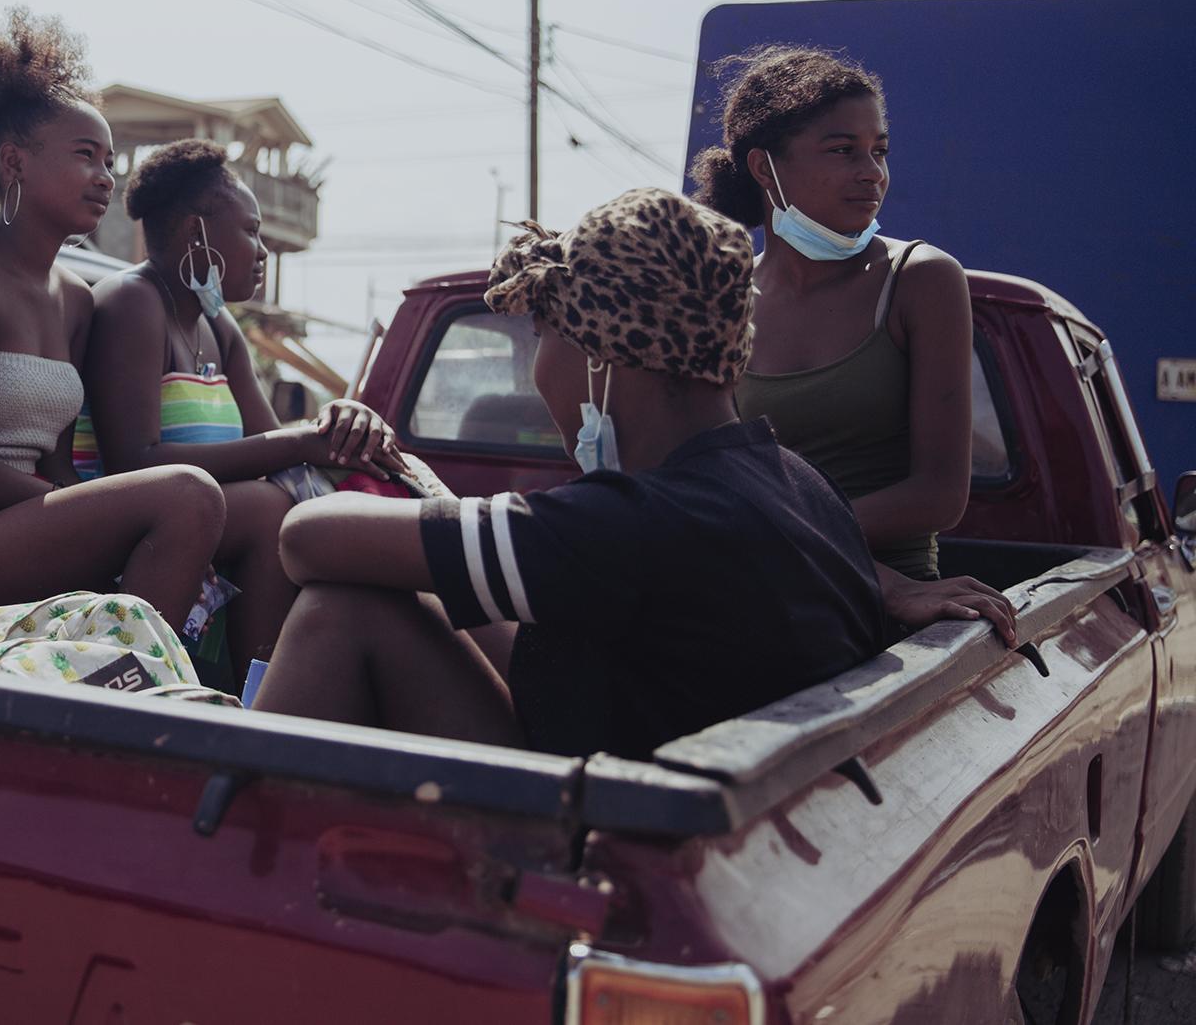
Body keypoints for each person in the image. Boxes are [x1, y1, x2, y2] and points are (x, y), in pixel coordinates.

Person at [253, 189, 1016, 758]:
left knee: (343, 610)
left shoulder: (633, 521)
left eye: (543, 334)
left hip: (598, 842)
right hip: (670, 774)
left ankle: (226, 869)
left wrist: (465, 523)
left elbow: (305, 536)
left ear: (603, 356)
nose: (537, 366)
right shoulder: (792, 482)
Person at [0, 9, 222, 626]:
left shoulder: (76, 298)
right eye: (86, 156)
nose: (106, 177)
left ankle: (123, 683)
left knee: (189, 508)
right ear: (15, 163)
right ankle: (120, 704)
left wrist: (79, 510)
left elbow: (56, 461)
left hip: (17, 524)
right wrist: (80, 510)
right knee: (189, 497)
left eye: (110, 160)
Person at [79, 138, 403, 677]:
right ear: (195, 232)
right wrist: (302, 441)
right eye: (251, 231)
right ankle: (261, 702)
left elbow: (273, 450)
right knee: (266, 510)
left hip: (203, 522)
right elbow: (136, 460)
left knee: (310, 513)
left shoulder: (219, 326)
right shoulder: (132, 302)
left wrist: (339, 421)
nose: (263, 251)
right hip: (132, 522)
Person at [690, 46, 972, 584]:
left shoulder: (921, 278)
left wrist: (779, 538)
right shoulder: (722, 296)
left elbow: (938, 494)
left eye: (880, 151)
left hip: (887, 607)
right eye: (843, 150)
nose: (873, 174)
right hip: (755, 587)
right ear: (763, 167)